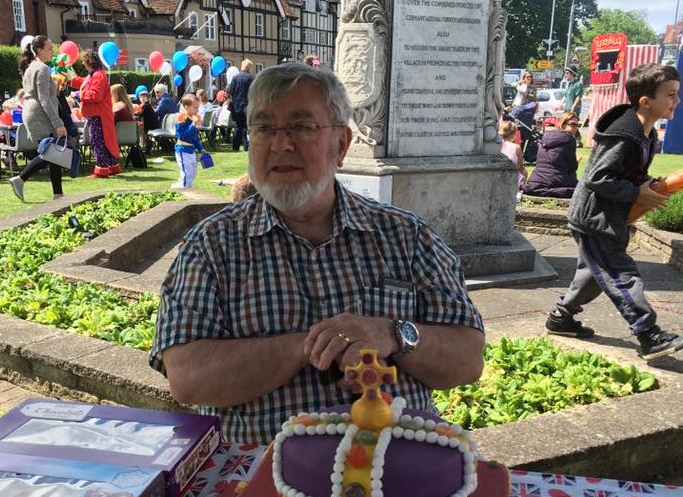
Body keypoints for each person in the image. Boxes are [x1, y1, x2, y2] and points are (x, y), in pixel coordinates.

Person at [149, 62, 485, 443]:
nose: (279, 144)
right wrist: (309, 345)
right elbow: (188, 378)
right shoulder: (210, 247)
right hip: (263, 480)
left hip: (396, 479)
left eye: (301, 127)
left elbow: (468, 359)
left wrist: (394, 333)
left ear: (341, 144)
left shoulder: (406, 236)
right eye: (263, 128)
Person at [545, 62, 683, 361]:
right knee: (621, 274)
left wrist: (648, 185)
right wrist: (637, 192)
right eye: (671, 95)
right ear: (646, 101)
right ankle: (649, 335)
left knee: (593, 275)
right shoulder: (625, 135)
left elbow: (629, 172)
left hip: (608, 216)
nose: (677, 101)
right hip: (595, 218)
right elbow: (597, 177)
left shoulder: (648, 134)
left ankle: (560, 318)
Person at [9, 35, 68, 201]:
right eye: (49, 48)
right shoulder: (41, 69)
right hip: (39, 114)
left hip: (33, 111)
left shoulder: (31, 67)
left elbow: (41, 94)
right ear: (40, 50)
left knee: (53, 152)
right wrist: (58, 123)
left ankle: (58, 194)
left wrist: (55, 88)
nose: (52, 51)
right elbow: (43, 98)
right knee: (50, 152)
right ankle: (20, 179)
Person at [80, 50, 120, 178]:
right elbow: (84, 83)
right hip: (99, 114)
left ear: (89, 62)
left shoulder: (97, 76)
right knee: (105, 141)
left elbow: (95, 95)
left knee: (98, 142)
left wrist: (79, 95)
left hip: (98, 115)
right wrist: (71, 79)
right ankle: (113, 167)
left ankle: (101, 170)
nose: (82, 63)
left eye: (83, 61)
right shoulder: (96, 75)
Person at [522, 111, 579, 198]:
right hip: (556, 181)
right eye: (573, 124)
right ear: (563, 124)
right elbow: (573, 167)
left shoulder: (546, 136)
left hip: (536, 180)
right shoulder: (570, 140)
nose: (576, 128)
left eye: (577, 125)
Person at [172, 93, 204, 190]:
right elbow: (184, 135)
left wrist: (200, 148)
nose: (197, 110)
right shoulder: (181, 119)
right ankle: (183, 188)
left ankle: (186, 186)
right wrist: (194, 124)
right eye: (195, 107)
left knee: (193, 171)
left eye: (198, 107)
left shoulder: (191, 119)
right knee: (187, 172)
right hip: (182, 149)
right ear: (186, 107)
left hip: (190, 149)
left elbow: (194, 137)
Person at [227, 58, 254, 151]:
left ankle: (236, 146)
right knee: (246, 126)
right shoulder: (252, 78)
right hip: (247, 105)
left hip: (237, 105)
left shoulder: (235, 77)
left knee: (238, 126)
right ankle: (246, 145)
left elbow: (231, 91)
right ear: (249, 67)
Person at [499, 120, 526, 192]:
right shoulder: (516, 147)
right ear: (514, 133)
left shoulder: (496, 146)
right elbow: (520, 167)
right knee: (524, 171)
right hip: (511, 178)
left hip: (498, 176)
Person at [135, 90, 159, 155]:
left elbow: (139, 114)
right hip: (148, 124)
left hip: (151, 125)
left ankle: (148, 147)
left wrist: (133, 113)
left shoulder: (146, 106)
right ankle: (147, 146)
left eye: (144, 97)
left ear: (147, 98)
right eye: (141, 97)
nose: (142, 99)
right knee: (142, 130)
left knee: (143, 131)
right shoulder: (144, 105)